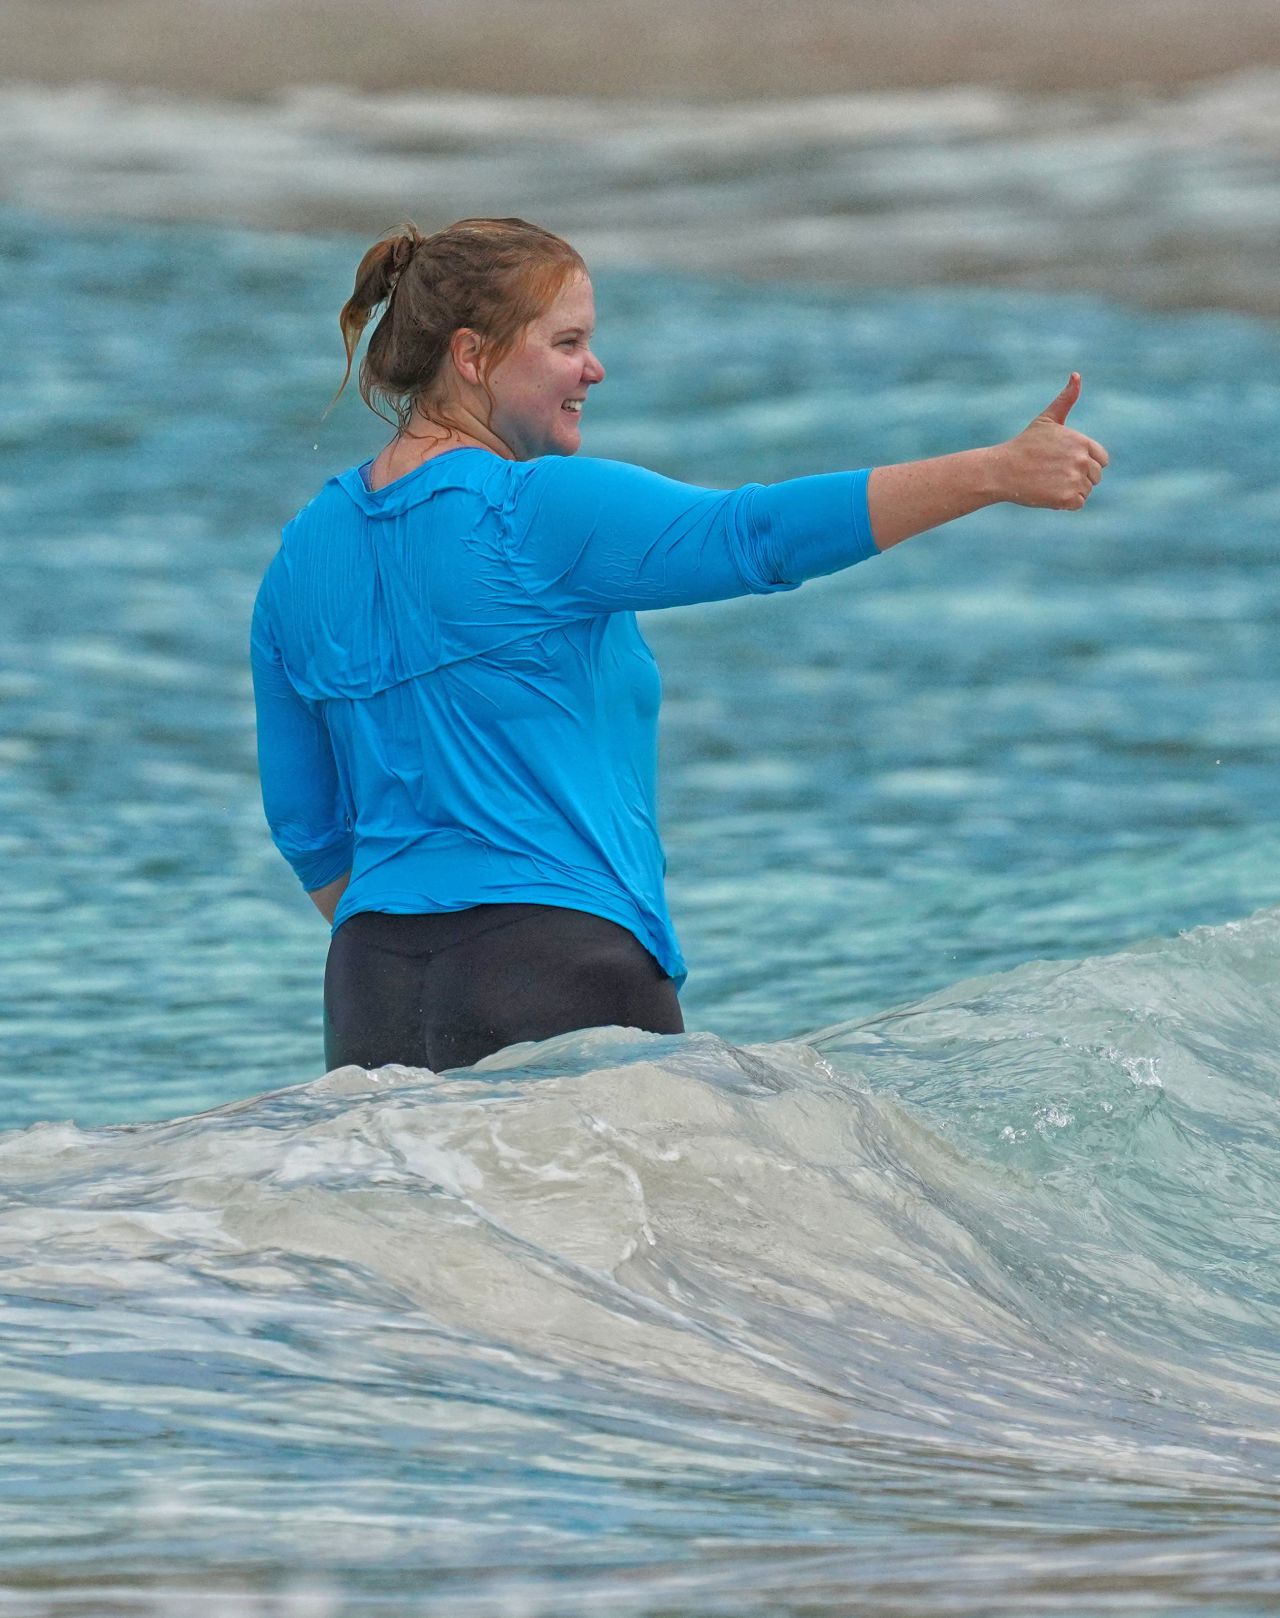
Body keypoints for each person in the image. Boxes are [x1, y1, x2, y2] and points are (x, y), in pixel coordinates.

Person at [251, 216, 1108, 1073]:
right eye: (568, 342)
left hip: (371, 986)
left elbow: (308, 831)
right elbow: (755, 537)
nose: (595, 368)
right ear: (472, 356)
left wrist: (433, 947)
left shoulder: (299, 558)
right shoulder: (527, 509)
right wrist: (997, 471)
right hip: (558, 964)